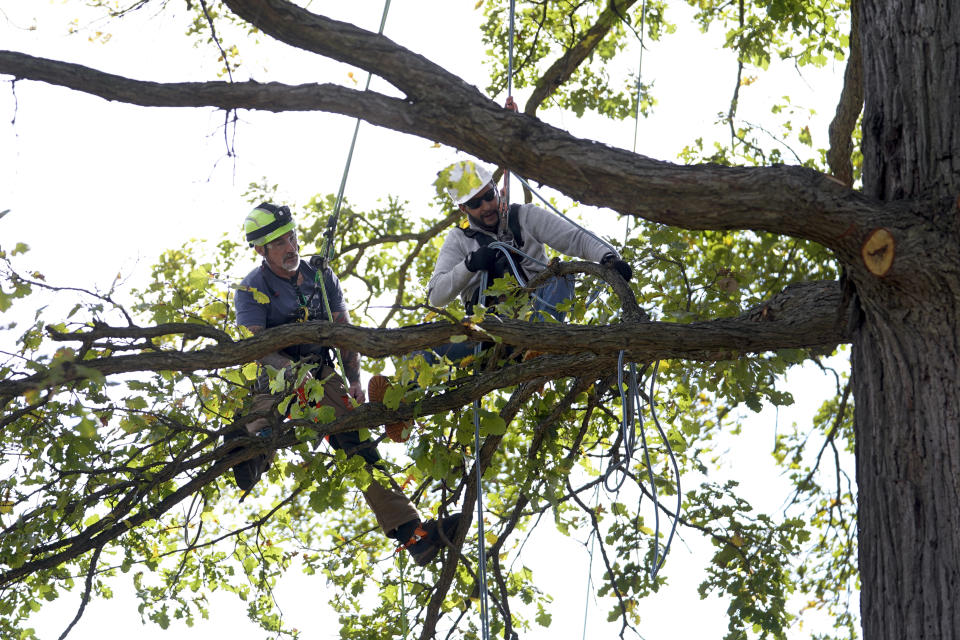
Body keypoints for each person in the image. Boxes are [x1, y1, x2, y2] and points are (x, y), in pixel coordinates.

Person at [229, 202, 458, 565]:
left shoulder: (322, 276)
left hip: (323, 373)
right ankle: (248, 451)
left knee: (358, 445)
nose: (290, 246)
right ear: (260, 250)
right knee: (265, 413)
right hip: (275, 373)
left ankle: (414, 535)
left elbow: (344, 331)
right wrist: (294, 375)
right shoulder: (252, 289)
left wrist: (354, 380)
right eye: (278, 243)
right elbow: (255, 346)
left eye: (292, 236)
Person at [424, 159, 633, 363]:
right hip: (487, 332)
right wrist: (469, 265)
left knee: (560, 274)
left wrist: (607, 258)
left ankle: (540, 345)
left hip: (534, 318)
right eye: (475, 203)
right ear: (464, 209)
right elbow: (436, 296)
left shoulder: (525, 217)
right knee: (423, 350)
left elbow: (575, 238)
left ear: (496, 189)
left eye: (489, 196)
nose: (486, 206)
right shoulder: (459, 239)